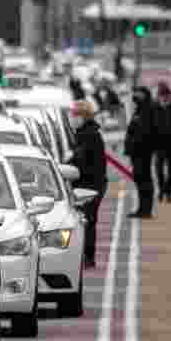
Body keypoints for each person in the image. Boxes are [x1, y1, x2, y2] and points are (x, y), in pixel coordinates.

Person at [68, 100, 107, 268]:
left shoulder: (88, 135)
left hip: (90, 186)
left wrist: (68, 166)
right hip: (90, 184)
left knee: (87, 222)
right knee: (86, 222)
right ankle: (86, 256)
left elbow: (81, 162)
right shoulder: (85, 132)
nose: (71, 118)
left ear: (83, 116)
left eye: (74, 115)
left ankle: (88, 257)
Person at [124, 86, 158, 218]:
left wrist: (136, 145)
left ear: (144, 95)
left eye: (138, 93)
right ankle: (142, 208)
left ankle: (146, 210)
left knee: (144, 180)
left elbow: (145, 132)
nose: (135, 96)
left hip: (143, 152)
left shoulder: (148, 109)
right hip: (137, 152)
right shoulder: (140, 109)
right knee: (140, 179)